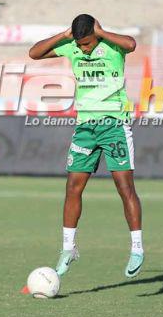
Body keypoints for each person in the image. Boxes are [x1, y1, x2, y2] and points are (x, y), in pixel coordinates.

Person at [28, 15, 143, 279]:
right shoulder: (73, 45)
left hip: (114, 125)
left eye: (88, 43)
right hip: (85, 128)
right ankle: (69, 248)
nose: (84, 49)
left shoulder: (113, 46)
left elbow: (132, 44)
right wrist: (65, 35)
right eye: (80, 45)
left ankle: (137, 248)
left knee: (125, 188)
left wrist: (102, 32)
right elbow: (34, 53)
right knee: (73, 187)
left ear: (96, 33)